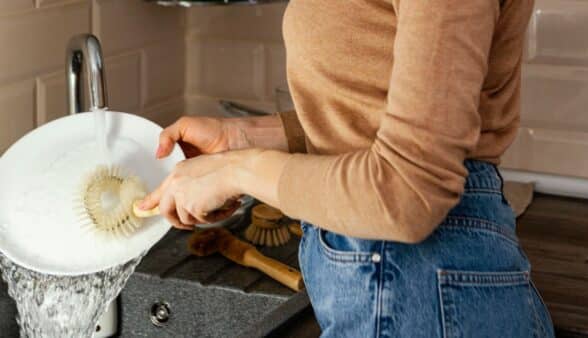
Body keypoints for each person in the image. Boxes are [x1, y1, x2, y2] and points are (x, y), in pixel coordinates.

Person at [139, 0, 555, 336]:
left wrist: (237, 171)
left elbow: (406, 193)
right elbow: (371, 109)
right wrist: (245, 138)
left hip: (418, 282)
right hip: (409, 282)